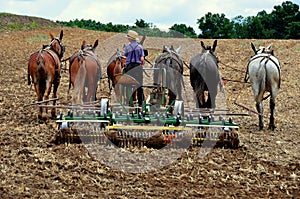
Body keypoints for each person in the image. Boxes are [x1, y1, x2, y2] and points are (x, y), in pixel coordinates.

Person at [123, 30, 145, 107]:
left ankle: (128, 102)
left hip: (129, 68)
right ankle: (140, 103)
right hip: (137, 67)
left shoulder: (127, 47)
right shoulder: (140, 47)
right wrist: (141, 65)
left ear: (130, 39)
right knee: (139, 85)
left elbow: (124, 58)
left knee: (128, 85)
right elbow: (142, 59)